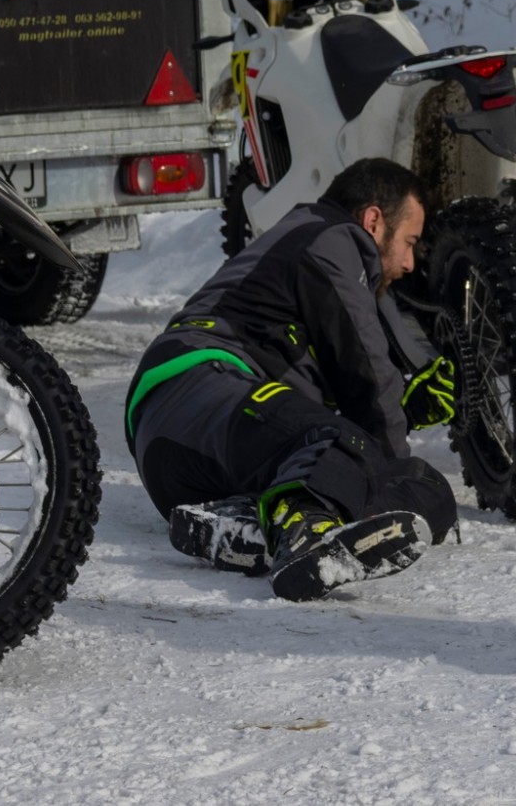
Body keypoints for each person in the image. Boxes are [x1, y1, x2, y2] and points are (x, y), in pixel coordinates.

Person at [125, 157, 460, 601]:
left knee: (432, 491)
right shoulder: (332, 238)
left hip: (179, 464)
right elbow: (365, 369)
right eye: (409, 242)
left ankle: (242, 529)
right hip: (193, 380)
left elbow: (312, 399)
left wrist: (406, 414)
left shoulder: (303, 235)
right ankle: (305, 529)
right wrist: (384, 459)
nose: (410, 262)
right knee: (351, 447)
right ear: (374, 221)